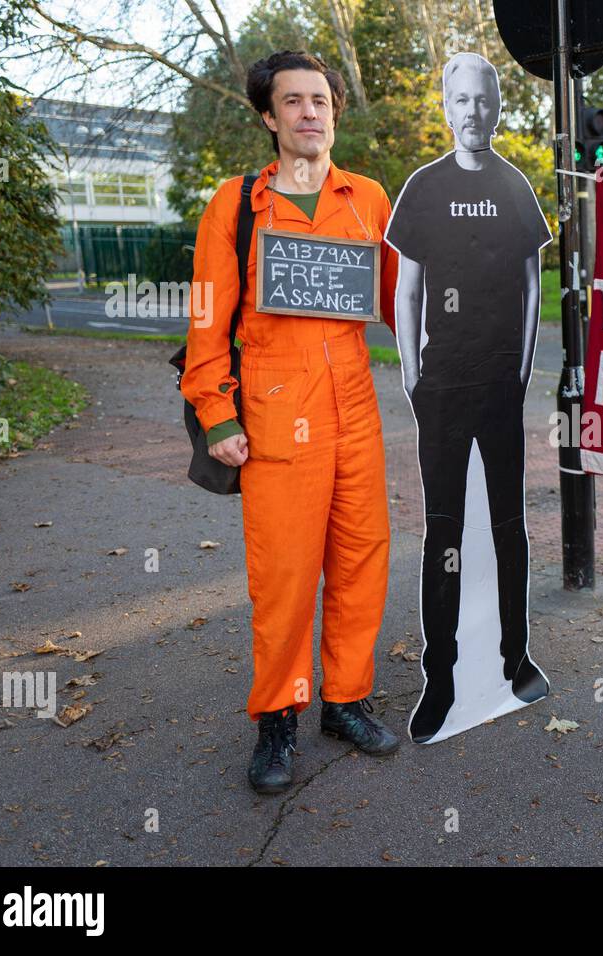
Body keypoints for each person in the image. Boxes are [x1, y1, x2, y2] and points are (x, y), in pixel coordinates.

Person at [181, 50, 402, 794]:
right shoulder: (235, 203)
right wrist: (217, 414)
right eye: (295, 102)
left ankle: (344, 699)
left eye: (322, 100)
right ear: (269, 117)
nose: (311, 112)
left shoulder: (368, 197)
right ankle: (278, 715)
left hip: (356, 414)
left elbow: (406, 304)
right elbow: (208, 322)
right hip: (275, 420)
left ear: (335, 111)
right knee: (282, 578)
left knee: (362, 560)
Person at [386, 52, 551, 743]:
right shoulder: (422, 188)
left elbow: (533, 285)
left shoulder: (517, 189)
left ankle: (516, 659)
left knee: (509, 527)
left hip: (499, 387)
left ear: (498, 107)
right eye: (462, 101)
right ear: (447, 107)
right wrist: (410, 378)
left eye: (484, 101)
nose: (474, 113)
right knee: (445, 531)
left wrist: (520, 371)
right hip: (443, 389)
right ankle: (442, 678)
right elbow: (407, 290)